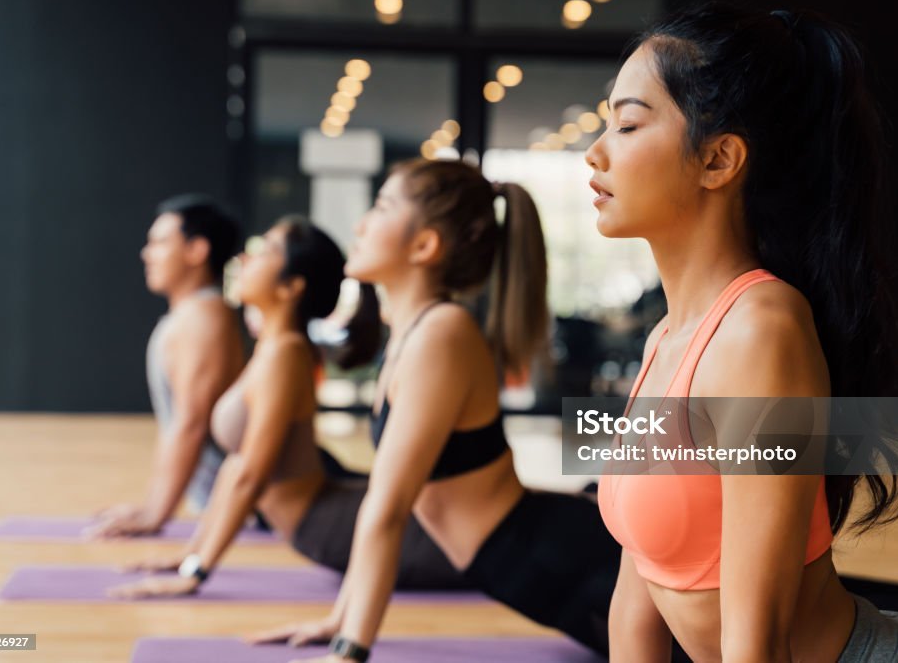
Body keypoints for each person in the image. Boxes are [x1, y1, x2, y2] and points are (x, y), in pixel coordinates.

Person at [587, 3, 898, 661]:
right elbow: (635, 609)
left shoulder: (760, 332)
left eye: (627, 123)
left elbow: (756, 639)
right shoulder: (663, 344)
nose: (595, 152)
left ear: (719, 159)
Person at [248, 160, 624, 661]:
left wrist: (350, 650)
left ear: (424, 246)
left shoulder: (441, 333)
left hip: (557, 558)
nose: (360, 225)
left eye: (381, 207)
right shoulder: (412, 333)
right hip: (525, 569)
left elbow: (388, 509)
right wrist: (338, 622)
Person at [109, 216, 466, 598]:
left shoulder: (286, 355)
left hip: (330, 528)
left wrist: (195, 575)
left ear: (291, 287)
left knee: (480, 536)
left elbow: (252, 475)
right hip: (326, 521)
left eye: (265, 253)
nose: (246, 260)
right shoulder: (272, 348)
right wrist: (189, 554)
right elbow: (235, 466)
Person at [91, 194, 244, 537]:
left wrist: (156, 516)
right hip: (226, 505)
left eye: (160, 243)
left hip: (259, 510)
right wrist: (151, 505)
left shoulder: (204, 317)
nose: (147, 254)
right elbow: (175, 425)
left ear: (196, 250)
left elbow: (192, 423)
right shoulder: (190, 315)